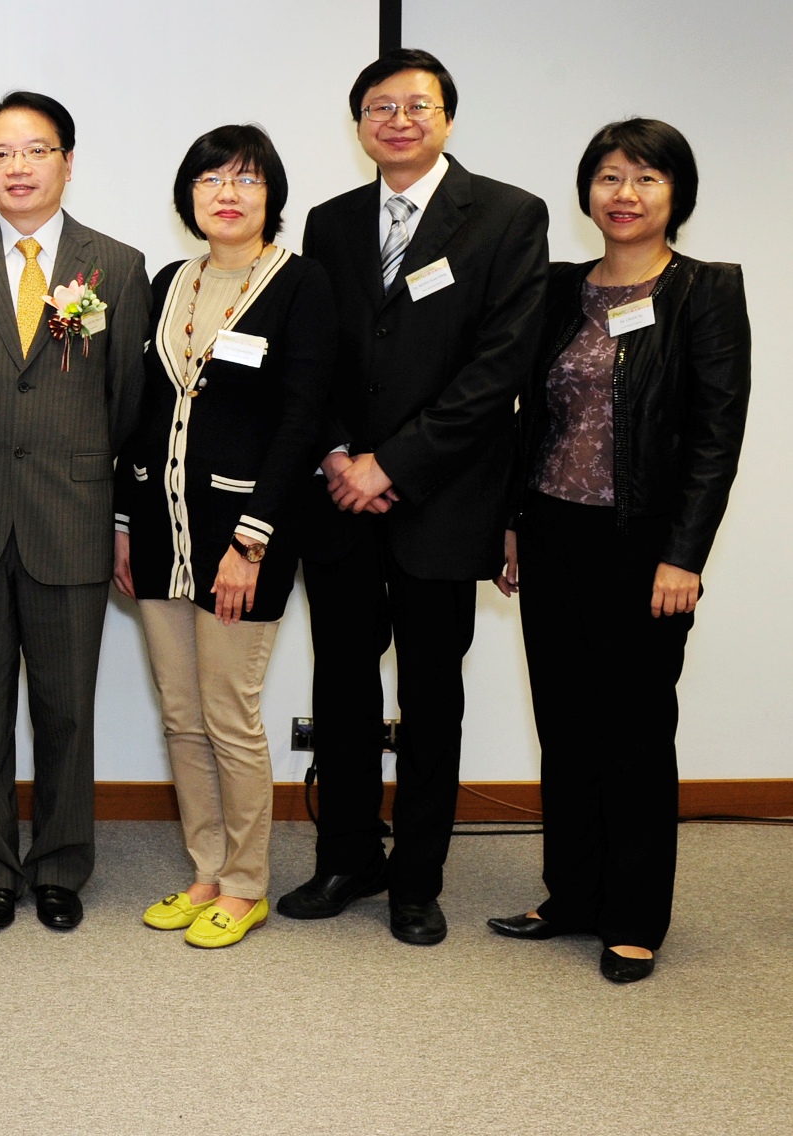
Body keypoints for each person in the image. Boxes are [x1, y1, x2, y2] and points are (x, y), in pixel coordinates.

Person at [284, 48, 549, 946]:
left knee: (434, 698)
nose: (398, 119)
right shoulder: (330, 221)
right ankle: (348, 857)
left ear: (446, 117)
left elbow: (499, 368)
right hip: (338, 501)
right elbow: (311, 354)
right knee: (345, 687)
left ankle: (417, 879)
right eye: (379, 106)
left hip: (442, 500)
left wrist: (389, 464)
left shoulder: (508, 216)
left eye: (417, 105)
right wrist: (333, 456)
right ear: (359, 123)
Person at [490, 119, 748, 984]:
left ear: (677, 193)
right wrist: (513, 520)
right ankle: (573, 897)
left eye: (645, 177)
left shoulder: (703, 291)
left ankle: (634, 917)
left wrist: (685, 554)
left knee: (634, 732)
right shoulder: (563, 288)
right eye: (608, 177)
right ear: (587, 191)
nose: (624, 194)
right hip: (555, 530)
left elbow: (717, 436)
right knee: (564, 728)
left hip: (645, 547)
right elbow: (530, 416)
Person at [0, 90, 149, 934]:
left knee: (66, 708)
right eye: (0, 153)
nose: (17, 167)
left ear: (68, 161)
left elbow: (124, 400)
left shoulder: (116, 265)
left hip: (70, 512)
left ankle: (59, 864)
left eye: (35, 150)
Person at [113, 125, 335, 949]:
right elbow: (141, 415)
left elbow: (302, 420)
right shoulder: (172, 280)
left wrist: (252, 542)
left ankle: (245, 884)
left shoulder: (302, 285)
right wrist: (124, 523)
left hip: (243, 539)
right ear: (191, 195)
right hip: (163, 529)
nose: (227, 193)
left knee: (229, 714)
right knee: (180, 715)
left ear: (271, 193)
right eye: (210, 179)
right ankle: (205, 869)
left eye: (245, 178)